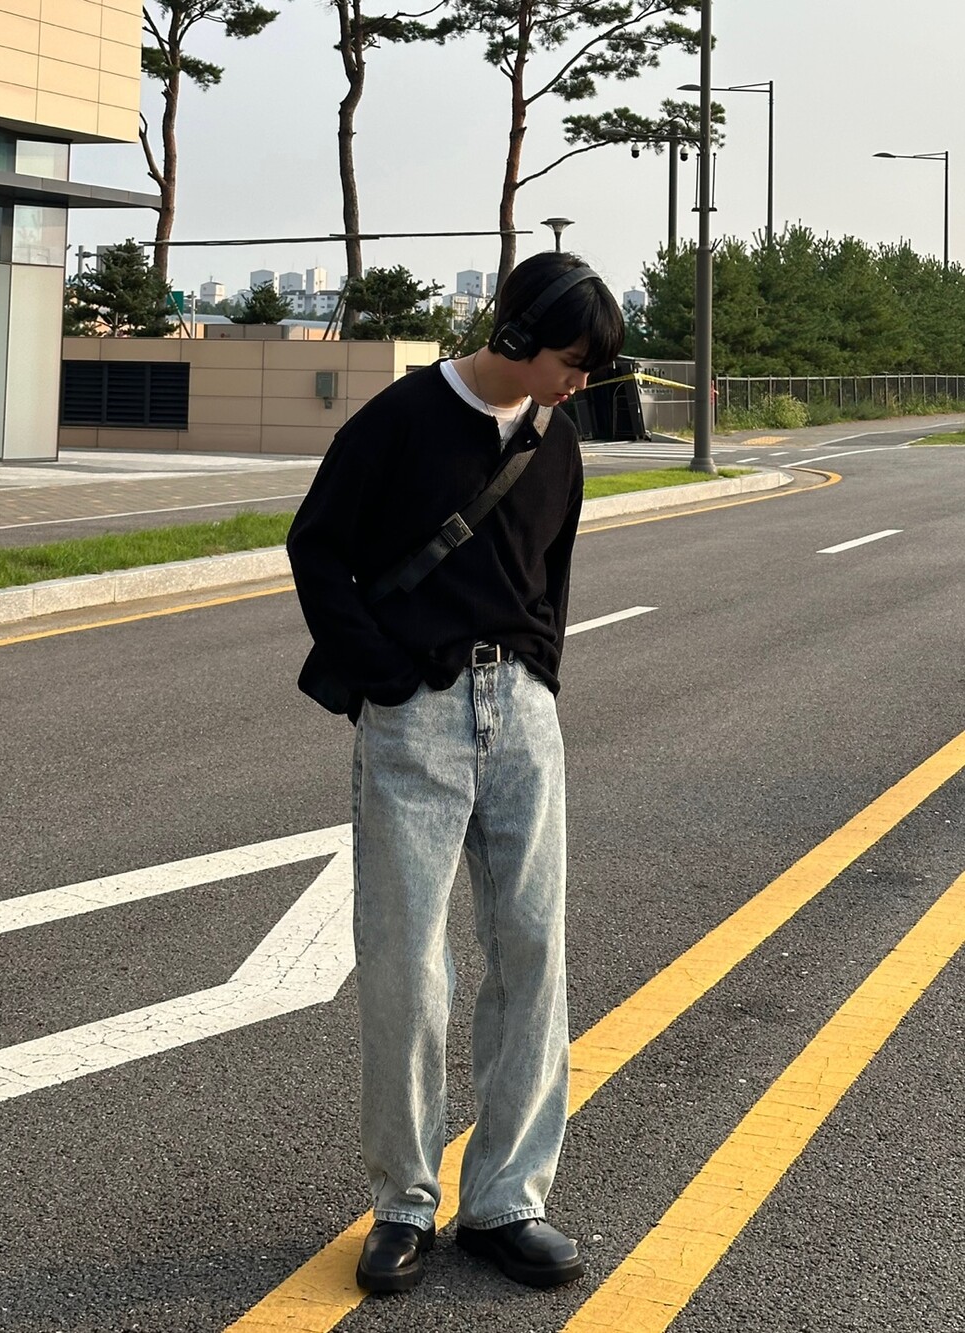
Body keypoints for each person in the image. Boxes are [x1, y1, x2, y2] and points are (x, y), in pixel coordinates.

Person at [287, 251, 625, 1294]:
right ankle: (403, 1200)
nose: (579, 382)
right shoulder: (398, 421)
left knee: (532, 950)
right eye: (571, 361)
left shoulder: (556, 439)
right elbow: (315, 548)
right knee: (405, 962)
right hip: (415, 718)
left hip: (523, 716)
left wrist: (540, 677)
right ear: (516, 337)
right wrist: (387, 680)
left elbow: (553, 574)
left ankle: (507, 1199)